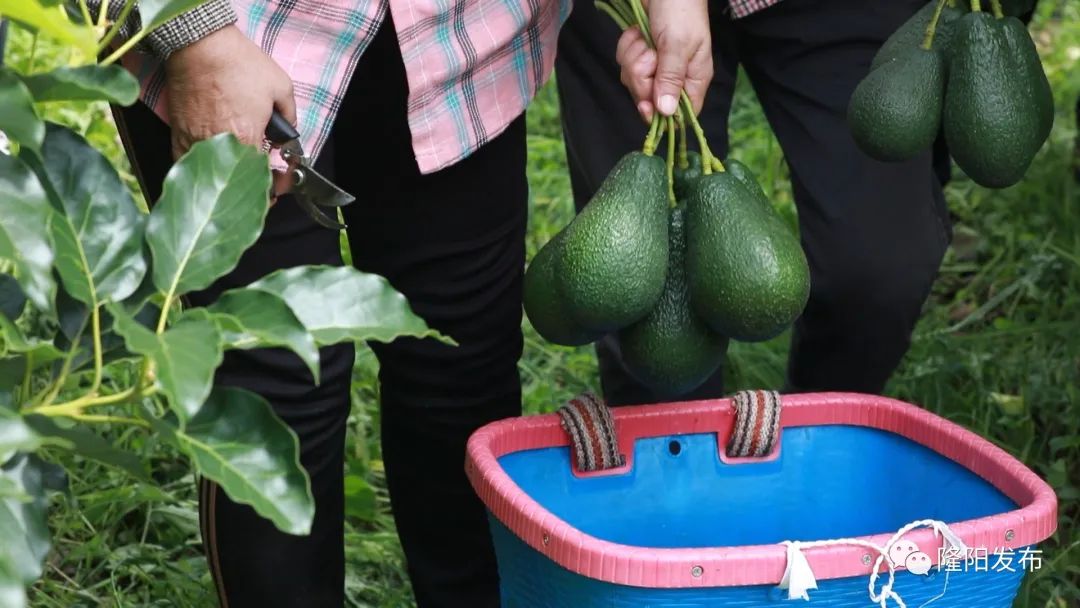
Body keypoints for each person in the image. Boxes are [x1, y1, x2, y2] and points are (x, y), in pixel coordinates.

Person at [87, 0, 712, 606]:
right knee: (277, 391)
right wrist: (197, 35)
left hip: (459, 34)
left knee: (463, 365)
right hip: (239, 32)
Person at [556, 0, 956, 406]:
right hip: (632, 11)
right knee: (645, 319)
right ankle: (674, 456)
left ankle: (815, 433)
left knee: (877, 272)